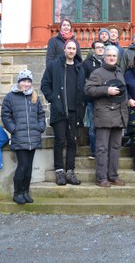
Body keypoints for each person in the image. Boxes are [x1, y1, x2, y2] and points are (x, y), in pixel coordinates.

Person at [84, 45, 129, 187]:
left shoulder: (120, 73)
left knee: (115, 148)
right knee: (102, 148)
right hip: (104, 115)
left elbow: (123, 93)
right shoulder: (97, 73)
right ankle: (101, 178)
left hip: (119, 115)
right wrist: (106, 90)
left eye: (114, 56)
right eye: (109, 55)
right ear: (104, 57)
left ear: (117, 58)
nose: (111, 58)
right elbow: (88, 90)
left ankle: (113, 176)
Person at [41, 39, 83, 186]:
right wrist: (54, 99)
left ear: (76, 51)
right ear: (64, 50)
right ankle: (59, 171)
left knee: (72, 142)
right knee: (59, 141)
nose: (71, 51)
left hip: (74, 111)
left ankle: (70, 171)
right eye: (69, 48)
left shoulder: (79, 67)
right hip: (59, 111)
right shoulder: (54, 66)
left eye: (74, 48)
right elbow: (45, 84)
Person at [1, 69, 46, 205]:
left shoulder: (34, 96)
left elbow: (41, 114)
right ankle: (17, 193)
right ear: (19, 82)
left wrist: (40, 127)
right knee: (22, 166)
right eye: (24, 81)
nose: (26, 84)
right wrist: (13, 129)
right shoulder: (10, 97)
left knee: (29, 168)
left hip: (33, 137)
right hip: (19, 138)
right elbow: (5, 115)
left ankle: (25, 192)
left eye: (28, 81)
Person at [78, 40, 105, 160]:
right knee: (93, 127)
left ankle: (104, 150)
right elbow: (82, 81)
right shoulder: (87, 63)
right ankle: (94, 151)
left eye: (102, 47)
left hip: (106, 100)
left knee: (104, 126)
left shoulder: (108, 61)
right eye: (98, 47)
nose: (100, 49)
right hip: (91, 100)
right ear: (93, 50)